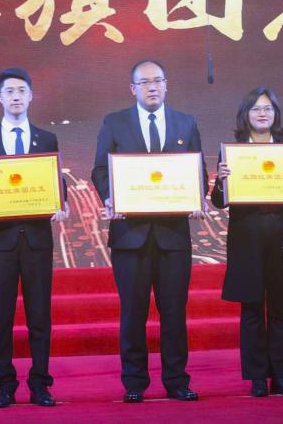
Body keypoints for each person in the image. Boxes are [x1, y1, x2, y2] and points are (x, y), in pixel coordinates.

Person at [91, 59, 209, 404]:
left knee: (174, 313)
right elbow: (100, 169)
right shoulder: (114, 122)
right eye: (144, 82)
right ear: (133, 89)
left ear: (166, 84)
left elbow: (198, 169)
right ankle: (134, 383)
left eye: (158, 80)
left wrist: (197, 196)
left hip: (173, 236)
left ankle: (177, 380)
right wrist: (111, 197)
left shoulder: (186, 122)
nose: (152, 86)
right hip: (130, 236)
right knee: (133, 313)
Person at [0, 68, 70, 408]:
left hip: (37, 239)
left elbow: (55, 181)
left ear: (31, 95)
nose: (16, 96)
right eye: (9, 91)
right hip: (1, 242)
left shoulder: (46, 139)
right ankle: (4, 385)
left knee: (40, 316)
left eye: (21, 90)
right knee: (2, 318)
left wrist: (62, 204)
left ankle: (40, 384)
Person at [210, 87, 283, 398]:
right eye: (256, 108)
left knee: (281, 310)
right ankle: (257, 377)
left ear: (275, 114)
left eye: (268, 108)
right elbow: (219, 202)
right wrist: (221, 182)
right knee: (252, 310)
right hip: (247, 239)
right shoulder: (232, 152)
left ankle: (282, 376)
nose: (262, 113)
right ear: (246, 115)